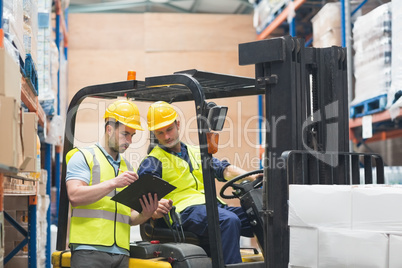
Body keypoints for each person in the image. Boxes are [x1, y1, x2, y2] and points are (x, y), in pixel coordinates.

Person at [137, 101, 259, 264]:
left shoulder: (197, 152)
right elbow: (142, 197)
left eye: (169, 129)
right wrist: (154, 207)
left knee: (260, 214)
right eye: (160, 133)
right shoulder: (153, 161)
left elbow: (225, 170)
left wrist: (256, 177)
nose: (166, 136)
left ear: (177, 124)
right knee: (228, 220)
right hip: (184, 212)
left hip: (212, 206)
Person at [65, 100, 173, 268]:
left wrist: (146, 213)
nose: (129, 140)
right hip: (89, 251)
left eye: (132, 135)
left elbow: (128, 217)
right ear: (109, 129)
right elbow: (75, 196)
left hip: (121, 254)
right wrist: (113, 183)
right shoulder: (83, 157)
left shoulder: (127, 168)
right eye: (125, 134)